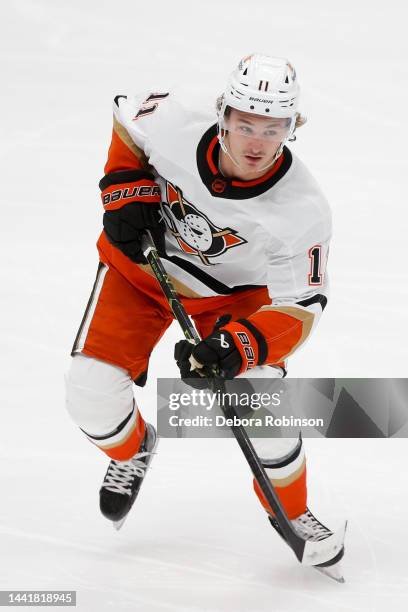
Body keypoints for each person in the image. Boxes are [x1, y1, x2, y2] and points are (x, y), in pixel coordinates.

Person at [65, 54, 341, 574]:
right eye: (245, 125)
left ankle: (295, 512)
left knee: (261, 404)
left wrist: (239, 347)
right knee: (89, 395)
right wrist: (127, 189)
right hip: (142, 273)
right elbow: (127, 125)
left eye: (274, 127)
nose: (257, 143)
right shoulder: (176, 118)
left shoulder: (303, 210)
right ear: (223, 114)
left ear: (292, 126)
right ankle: (131, 450)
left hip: (234, 299)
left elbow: (301, 308)